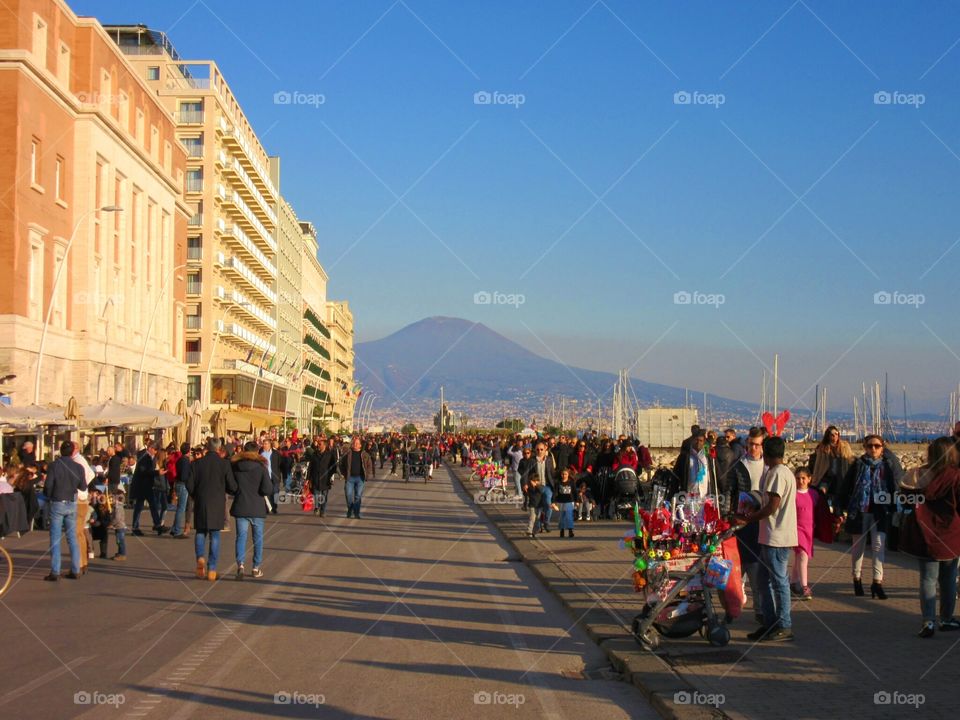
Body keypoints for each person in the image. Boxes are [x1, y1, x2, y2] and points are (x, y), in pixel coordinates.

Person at [898, 437, 960, 637]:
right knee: (948, 579)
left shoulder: (917, 475)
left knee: (927, 579)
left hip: (923, 532)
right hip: (950, 533)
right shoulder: (955, 476)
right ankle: (947, 619)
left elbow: (905, 499)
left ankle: (928, 622)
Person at [740, 436, 797, 642]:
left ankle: (784, 624)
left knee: (778, 581)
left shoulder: (776, 474)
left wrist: (751, 518)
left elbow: (773, 505)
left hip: (777, 537)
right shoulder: (783, 472)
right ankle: (769, 621)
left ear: (767, 453)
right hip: (770, 536)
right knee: (762, 581)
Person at [834, 435, 903, 599]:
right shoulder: (858, 465)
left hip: (880, 511)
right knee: (858, 547)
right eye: (870, 446)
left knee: (879, 547)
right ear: (865, 447)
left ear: (882, 447)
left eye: (877, 446)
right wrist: (839, 509)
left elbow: (895, 486)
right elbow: (845, 487)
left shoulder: (888, 465)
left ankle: (877, 582)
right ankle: (856, 579)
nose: (873, 449)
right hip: (860, 511)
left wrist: (896, 507)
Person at [187, 439, 235, 581]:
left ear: (206, 448)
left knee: (200, 532)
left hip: (201, 501)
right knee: (215, 535)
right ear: (219, 449)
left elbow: (189, 484)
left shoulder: (196, 464)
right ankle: (212, 569)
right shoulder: (224, 464)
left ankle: (200, 558)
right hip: (217, 503)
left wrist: (196, 495)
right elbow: (232, 485)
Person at [43, 441, 86, 581]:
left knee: (55, 537)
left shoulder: (54, 466)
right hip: (71, 502)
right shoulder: (78, 467)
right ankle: (75, 569)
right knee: (72, 537)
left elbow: (48, 485)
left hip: (57, 501)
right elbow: (83, 487)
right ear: (73, 451)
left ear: (60, 451)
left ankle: (55, 571)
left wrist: (49, 496)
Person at [230, 441, 272, 580]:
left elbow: (232, 487)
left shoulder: (236, 466)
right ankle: (255, 567)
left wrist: (239, 491)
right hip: (257, 507)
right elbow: (267, 489)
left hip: (241, 505)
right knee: (257, 539)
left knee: (241, 537)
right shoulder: (261, 467)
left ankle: (240, 565)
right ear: (257, 452)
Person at [791, 468, 817, 601]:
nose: (800, 481)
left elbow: (820, 511)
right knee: (802, 555)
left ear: (809, 479)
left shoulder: (814, 494)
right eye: (797, 478)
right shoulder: (793, 494)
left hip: (809, 529)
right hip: (796, 529)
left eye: (803, 478)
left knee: (798, 557)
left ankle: (792, 582)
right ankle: (804, 586)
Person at [809, 425, 855, 500]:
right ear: (828, 436)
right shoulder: (823, 447)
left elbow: (850, 459)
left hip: (841, 476)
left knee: (840, 497)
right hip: (826, 476)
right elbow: (818, 464)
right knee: (822, 494)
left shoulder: (844, 446)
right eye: (832, 435)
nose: (834, 436)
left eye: (836, 434)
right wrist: (815, 478)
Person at [671, 429, 717, 498]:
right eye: (696, 440)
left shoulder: (708, 457)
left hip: (705, 496)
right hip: (689, 495)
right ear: (692, 441)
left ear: (704, 442)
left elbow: (713, 475)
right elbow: (676, 476)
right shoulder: (684, 457)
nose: (698, 443)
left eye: (700, 441)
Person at [130, 443, 162, 536]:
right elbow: (143, 471)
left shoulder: (149, 457)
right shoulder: (144, 457)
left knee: (152, 505)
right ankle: (135, 527)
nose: (155, 452)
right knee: (139, 507)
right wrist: (157, 472)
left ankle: (157, 524)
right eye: (155, 450)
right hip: (142, 486)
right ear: (151, 449)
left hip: (146, 486)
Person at [339, 436, 374, 519]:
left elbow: (369, 465)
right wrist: (344, 473)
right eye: (354, 443)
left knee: (358, 496)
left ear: (360, 445)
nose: (355, 444)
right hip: (350, 478)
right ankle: (350, 509)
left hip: (360, 478)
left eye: (357, 443)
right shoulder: (347, 453)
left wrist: (367, 474)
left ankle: (356, 513)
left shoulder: (365, 454)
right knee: (348, 494)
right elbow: (341, 464)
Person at [527, 442, 557, 533]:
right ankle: (539, 526)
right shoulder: (532, 460)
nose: (539, 451)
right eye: (537, 449)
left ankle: (546, 523)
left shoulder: (549, 459)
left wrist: (556, 484)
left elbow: (552, 473)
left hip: (547, 486)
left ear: (545, 450)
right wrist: (530, 482)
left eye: (541, 449)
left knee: (548, 505)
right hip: (537, 487)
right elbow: (527, 473)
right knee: (538, 507)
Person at [308, 436, 336, 517]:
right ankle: (317, 507)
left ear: (324, 445)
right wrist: (308, 478)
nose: (318, 446)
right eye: (318, 444)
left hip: (325, 478)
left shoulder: (329, 455)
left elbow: (333, 466)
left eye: (320, 444)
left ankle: (323, 511)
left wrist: (331, 475)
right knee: (316, 494)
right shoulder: (314, 454)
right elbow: (310, 467)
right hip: (316, 477)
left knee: (324, 495)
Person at [171, 442, 192, 538]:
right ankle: (177, 530)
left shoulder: (179, 460)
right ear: (189, 451)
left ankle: (174, 527)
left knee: (180, 507)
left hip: (178, 483)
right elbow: (184, 475)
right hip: (183, 484)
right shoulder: (185, 460)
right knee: (181, 508)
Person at [261, 439, 281, 515]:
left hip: (275, 476)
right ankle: (267, 508)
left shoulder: (276, 453)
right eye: (264, 444)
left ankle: (274, 507)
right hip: (266, 476)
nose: (264, 445)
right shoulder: (261, 453)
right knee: (267, 492)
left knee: (275, 492)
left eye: (266, 444)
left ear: (270, 445)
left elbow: (280, 463)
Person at [555, 468, 576, 538]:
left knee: (569, 516)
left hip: (569, 501)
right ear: (561, 475)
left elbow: (574, 492)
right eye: (563, 474)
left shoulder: (571, 482)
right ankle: (562, 530)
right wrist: (553, 502)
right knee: (561, 517)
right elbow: (555, 493)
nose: (564, 475)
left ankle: (570, 531)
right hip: (560, 502)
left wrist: (577, 501)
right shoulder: (558, 483)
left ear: (568, 475)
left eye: (566, 474)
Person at [524, 473, 544, 538]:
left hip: (539, 505)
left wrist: (536, 485)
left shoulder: (540, 487)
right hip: (532, 505)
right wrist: (525, 489)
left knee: (538, 518)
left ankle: (536, 530)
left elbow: (541, 491)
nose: (533, 483)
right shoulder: (529, 488)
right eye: (532, 481)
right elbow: (526, 495)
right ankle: (529, 531)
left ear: (538, 481)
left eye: (535, 481)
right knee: (532, 518)